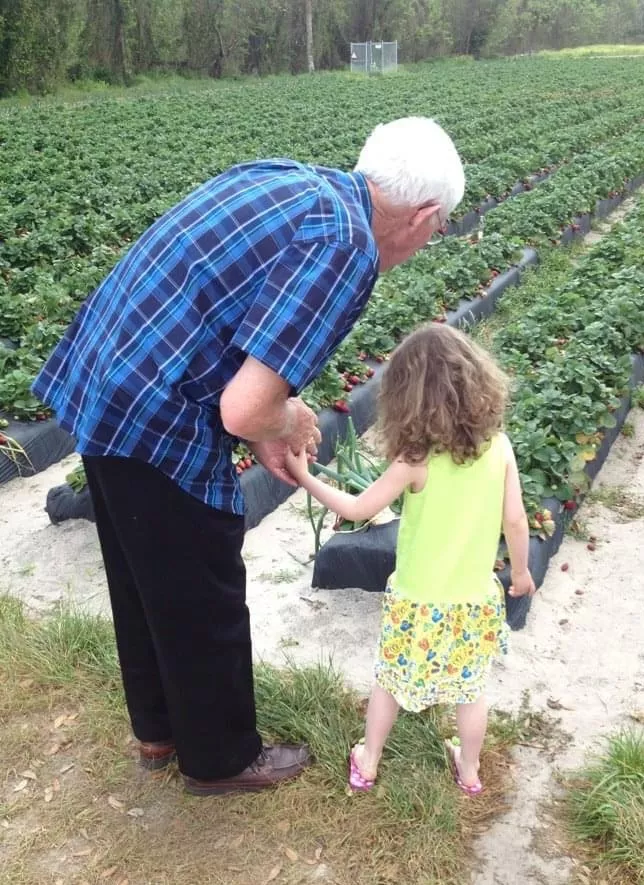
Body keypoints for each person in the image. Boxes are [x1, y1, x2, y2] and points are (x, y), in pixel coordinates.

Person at [31, 117, 465, 796]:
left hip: (109, 371)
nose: (430, 242)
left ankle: (158, 733)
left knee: (145, 576)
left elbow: (239, 352)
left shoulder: (298, 182)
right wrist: (286, 418)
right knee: (205, 587)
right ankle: (222, 757)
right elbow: (244, 406)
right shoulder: (346, 250)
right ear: (425, 217)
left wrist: (266, 424)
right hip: (155, 405)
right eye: (440, 231)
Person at [285, 323, 536, 796]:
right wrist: (520, 573)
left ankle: (369, 761)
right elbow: (517, 521)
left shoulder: (415, 460)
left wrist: (305, 477)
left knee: (391, 682)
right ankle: (469, 771)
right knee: (471, 689)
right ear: (478, 381)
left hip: (417, 601)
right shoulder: (498, 448)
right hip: (473, 600)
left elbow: (361, 509)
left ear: (406, 398)